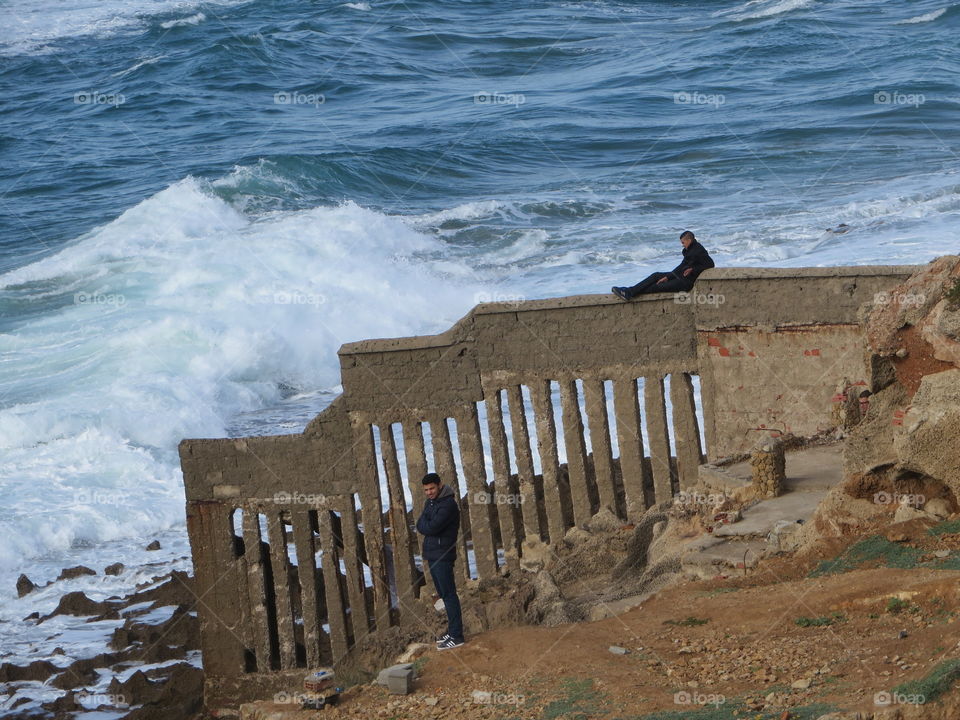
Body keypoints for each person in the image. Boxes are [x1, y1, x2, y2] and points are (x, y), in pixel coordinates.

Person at [415, 472, 465, 650]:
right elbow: (420, 524)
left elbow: (430, 527)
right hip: (433, 555)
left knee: (449, 595)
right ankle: (452, 632)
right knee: (444, 594)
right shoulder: (431, 502)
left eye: (432, 488)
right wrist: (426, 524)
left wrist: (426, 524)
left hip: (443, 555)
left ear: (440, 485)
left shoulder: (448, 504)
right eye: (426, 490)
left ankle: (457, 636)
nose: (429, 492)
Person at [612, 230, 715, 300]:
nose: (682, 245)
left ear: (689, 240)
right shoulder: (689, 250)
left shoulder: (698, 250)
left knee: (657, 286)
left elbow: (710, 264)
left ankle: (629, 293)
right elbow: (682, 266)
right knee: (656, 276)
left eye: (683, 242)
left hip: (685, 283)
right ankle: (629, 291)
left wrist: (693, 269)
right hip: (680, 276)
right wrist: (668, 276)